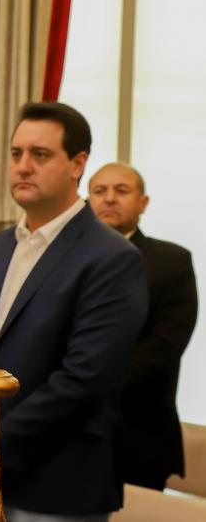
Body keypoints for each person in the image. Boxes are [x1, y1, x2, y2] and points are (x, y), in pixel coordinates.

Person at [0, 102, 148, 521]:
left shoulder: (111, 257)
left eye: (40, 155)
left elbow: (84, 379)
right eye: (16, 154)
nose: (22, 166)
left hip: (58, 481)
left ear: (78, 165)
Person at [88, 162, 199, 491]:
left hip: (138, 432)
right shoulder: (65, 259)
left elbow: (164, 347)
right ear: (86, 200)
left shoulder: (172, 261)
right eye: (99, 191)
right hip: (66, 435)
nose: (109, 199)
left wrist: (84, 380)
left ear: (143, 203)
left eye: (121, 191)